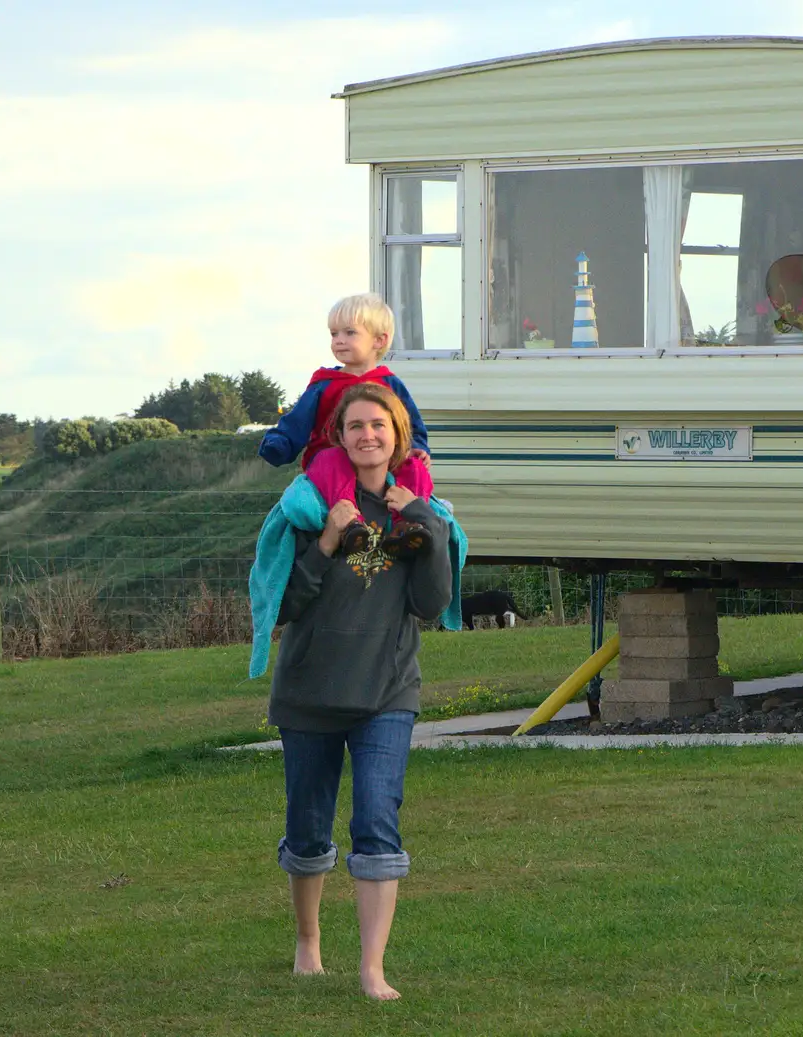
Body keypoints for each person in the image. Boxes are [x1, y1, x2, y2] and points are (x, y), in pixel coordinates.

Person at [268, 382, 453, 1001]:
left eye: (380, 425)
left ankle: (372, 969)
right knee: (308, 826)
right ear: (339, 438)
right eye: (356, 427)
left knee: (377, 820)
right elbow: (283, 604)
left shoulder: (421, 510)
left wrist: (423, 522)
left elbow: (431, 603)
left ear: (398, 434)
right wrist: (326, 541)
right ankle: (308, 942)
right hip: (310, 692)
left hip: (387, 692)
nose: (368, 436)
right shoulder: (309, 505)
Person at [260, 293, 436, 558]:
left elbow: (410, 423)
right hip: (330, 460)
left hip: (380, 461)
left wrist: (417, 447)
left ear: (379, 340)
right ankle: (351, 525)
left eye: (349, 332)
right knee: (332, 458)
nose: (339, 340)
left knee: (414, 467)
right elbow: (297, 421)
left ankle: (406, 526)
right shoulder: (324, 384)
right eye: (334, 334)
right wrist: (279, 444)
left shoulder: (390, 384)